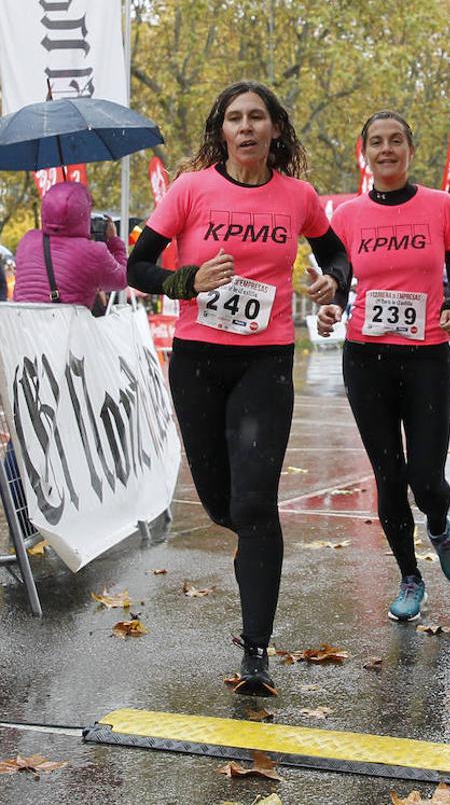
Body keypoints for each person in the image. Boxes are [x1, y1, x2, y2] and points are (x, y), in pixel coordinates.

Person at [127, 80, 349, 697]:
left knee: (255, 507)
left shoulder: (299, 197)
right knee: (224, 504)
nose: (246, 127)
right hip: (199, 360)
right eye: (235, 119)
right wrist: (186, 279)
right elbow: (137, 267)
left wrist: (334, 284)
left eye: (257, 118)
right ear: (221, 131)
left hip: (265, 363)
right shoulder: (191, 189)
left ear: (275, 130)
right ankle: (244, 536)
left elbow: (337, 258)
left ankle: (256, 651)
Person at [316, 110, 450, 623]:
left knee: (427, 478)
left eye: (396, 141)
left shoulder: (440, 206)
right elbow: (338, 276)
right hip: (367, 357)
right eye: (377, 142)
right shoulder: (348, 215)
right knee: (388, 475)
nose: (386, 150)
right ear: (365, 152)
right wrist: (331, 304)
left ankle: (441, 525)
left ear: (410, 149)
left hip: (427, 354)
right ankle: (409, 575)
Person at [13, 182, 127, 308]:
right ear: (83, 214)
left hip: (23, 325)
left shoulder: (27, 241)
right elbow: (122, 279)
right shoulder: (93, 252)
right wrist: (114, 241)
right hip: (68, 327)